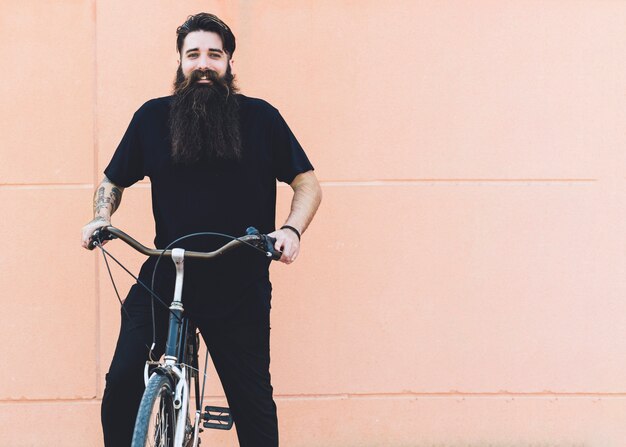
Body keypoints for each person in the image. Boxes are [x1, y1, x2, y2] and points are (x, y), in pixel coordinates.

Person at [80, 12, 322, 447]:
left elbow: (307, 182)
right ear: (180, 62)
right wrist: (102, 216)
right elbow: (112, 182)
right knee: (120, 387)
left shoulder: (261, 119)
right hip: (165, 274)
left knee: (253, 405)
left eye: (215, 53)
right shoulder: (152, 118)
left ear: (229, 62)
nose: (204, 63)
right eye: (194, 54)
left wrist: (291, 230)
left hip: (238, 277)